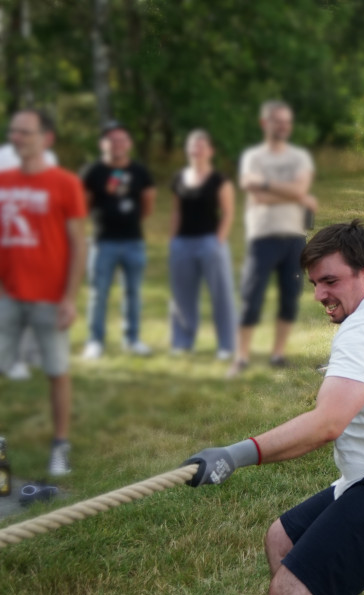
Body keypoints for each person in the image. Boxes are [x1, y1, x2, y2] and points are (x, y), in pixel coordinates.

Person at [184, 220, 364, 595]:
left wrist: (234, 455)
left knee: (292, 591)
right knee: (283, 540)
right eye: (314, 283)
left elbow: (326, 424)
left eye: (330, 281)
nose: (320, 294)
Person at [0, 109, 87, 476]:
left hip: (49, 297)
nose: (17, 137)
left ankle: (60, 446)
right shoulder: (2, 179)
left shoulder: (64, 183)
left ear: (46, 138)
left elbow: (78, 243)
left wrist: (69, 297)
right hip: (7, 294)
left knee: (56, 371)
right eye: (14, 132)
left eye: (26, 132)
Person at [229, 100, 317, 377]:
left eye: (286, 122)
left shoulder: (300, 157)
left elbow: (300, 188)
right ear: (264, 123)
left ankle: (277, 355)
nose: (282, 126)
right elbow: (256, 194)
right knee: (251, 297)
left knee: (290, 297)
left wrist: (269, 185)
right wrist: (292, 193)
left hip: (294, 237)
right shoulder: (253, 157)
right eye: (277, 121)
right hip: (263, 236)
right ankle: (241, 357)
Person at [81, 121, 156, 359]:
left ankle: (132, 339)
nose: (117, 144)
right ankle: (95, 341)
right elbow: (83, 206)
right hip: (103, 242)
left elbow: (147, 206)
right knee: (98, 293)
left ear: (130, 144)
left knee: (133, 292)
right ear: (102, 144)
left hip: (134, 241)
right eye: (111, 139)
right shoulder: (92, 172)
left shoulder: (140, 172)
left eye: (122, 139)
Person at [168, 129, 237, 360]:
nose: (196, 149)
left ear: (210, 151)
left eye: (201, 145)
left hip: (210, 242)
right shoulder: (179, 178)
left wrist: (218, 241)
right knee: (181, 295)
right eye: (192, 145)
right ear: (188, 150)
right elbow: (177, 211)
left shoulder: (219, 180)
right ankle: (182, 341)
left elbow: (228, 213)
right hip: (182, 244)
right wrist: (173, 240)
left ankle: (226, 345)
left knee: (221, 295)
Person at [0, 141, 57, 380]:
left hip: (39, 243)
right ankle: (11, 359)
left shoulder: (50, 157)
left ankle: (35, 353)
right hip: (11, 244)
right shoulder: (4, 156)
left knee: (40, 302)